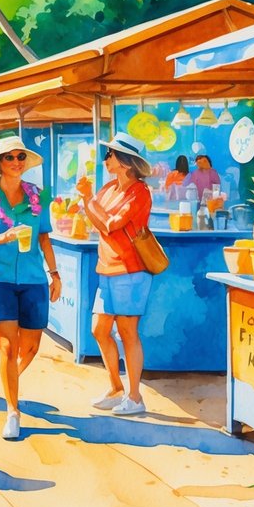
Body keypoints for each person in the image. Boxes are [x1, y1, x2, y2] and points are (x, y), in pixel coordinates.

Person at [0, 136, 61, 440]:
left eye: (21, 156)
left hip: (33, 278)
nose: (16, 162)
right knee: (8, 347)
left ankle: (9, 382)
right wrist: (4, 237)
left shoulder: (37, 196)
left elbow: (44, 236)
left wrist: (55, 273)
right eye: (10, 157)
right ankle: (12, 411)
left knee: (30, 347)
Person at [78, 133, 154, 417]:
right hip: (107, 268)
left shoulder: (140, 192)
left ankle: (135, 397)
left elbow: (110, 225)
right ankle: (115, 388)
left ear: (125, 162)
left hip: (130, 270)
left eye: (110, 154)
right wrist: (87, 203)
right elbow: (96, 218)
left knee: (127, 332)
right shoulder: (109, 188)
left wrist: (88, 200)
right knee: (99, 329)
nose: (106, 159)